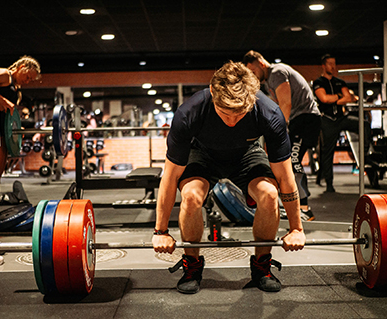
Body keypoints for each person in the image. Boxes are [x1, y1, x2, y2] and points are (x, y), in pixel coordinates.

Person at [152, 61, 306, 294]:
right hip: (202, 153)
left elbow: (285, 177)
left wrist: (296, 228)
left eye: (239, 114)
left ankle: (261, 267)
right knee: (191, 196)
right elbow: (170, 178)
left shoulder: (269, 113)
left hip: (246, 154)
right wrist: (161, 232)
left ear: (252, 99)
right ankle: (192, 266)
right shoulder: (189, 113)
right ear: (213, 92)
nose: (232, 121)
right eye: (225, 113)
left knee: (270, 194)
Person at [242, 50, 321, 221]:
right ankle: (293, 205)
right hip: (298, 120)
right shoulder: (269, 81)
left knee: (292, 161)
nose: (254, 76)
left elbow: (286, 103)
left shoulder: (277, 72)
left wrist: (277, 131)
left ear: (261, 63)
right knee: (285, 162)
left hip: (305, 119)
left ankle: (305, 208)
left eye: (254, 72)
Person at [0, 55, 40, 270]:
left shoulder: (16, 87)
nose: (28, 80)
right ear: (22, 66)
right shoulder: (4, 74)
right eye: (28, 76)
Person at [313, 54, 371, 192]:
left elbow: (349, 97)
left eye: (334, 63)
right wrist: (340, 97)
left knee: (364, 124)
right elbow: (324, 99)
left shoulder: (340, 82)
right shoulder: (318, 82)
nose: (333, 67)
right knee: (327, 152)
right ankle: (329, 184)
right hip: (327, 120)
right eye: (330, 64)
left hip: (341, 118)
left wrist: (337, 99)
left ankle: (365, 153)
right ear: (324, 65)